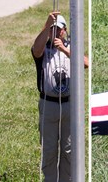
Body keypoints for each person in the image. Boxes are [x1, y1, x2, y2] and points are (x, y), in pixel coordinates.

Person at [31, 11, 88, 182]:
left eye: (58, 29)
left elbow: (86, 63)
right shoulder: (44, 48)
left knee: (68, 150)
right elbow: (36, 49)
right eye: (52, 30)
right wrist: (47, 25)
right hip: (49, 104)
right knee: (49, 150)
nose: (55, 33)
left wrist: (64, 49)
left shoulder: (72, 48)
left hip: (70, 105)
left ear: (64, 31)